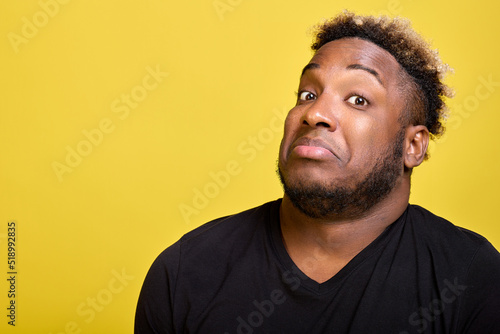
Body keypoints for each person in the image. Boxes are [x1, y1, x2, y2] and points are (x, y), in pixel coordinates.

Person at [135, 11, 500, 333]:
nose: (315, 113)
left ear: (413, 146)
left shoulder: (472, 279)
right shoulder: (184, 273)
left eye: (358, 99)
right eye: (308, 94)